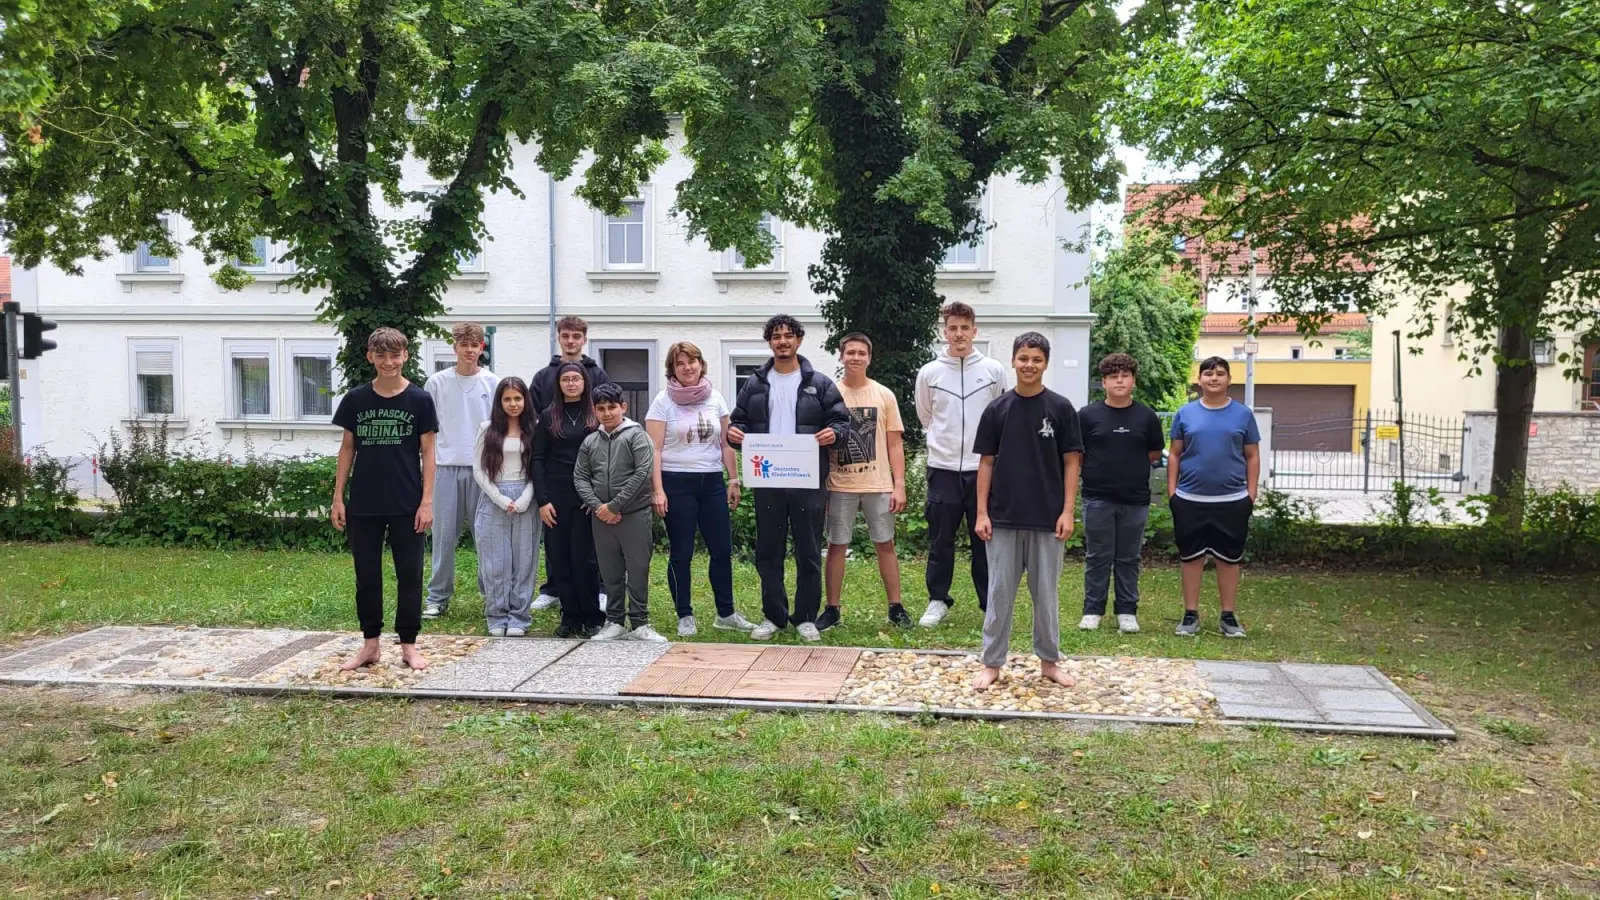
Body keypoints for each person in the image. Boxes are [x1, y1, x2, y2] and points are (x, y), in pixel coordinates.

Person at [728, 314, 851, 642]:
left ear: (798, 340)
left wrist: (834, 434)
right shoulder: (754, 383)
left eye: (788, 335)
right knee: (768, 551)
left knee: (808, 549)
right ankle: (774, 616)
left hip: (808, 478)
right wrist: (735, 434)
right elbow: (738, 423)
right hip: (768, 478)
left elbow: (842, 422)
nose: (783, 341)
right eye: (776, 336)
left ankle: (806, 617)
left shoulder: (820, 383)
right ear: (769, 342)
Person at [971, 332, 1082, 690]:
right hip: (1002, 517)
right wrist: (981, 513)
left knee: (1046, 595)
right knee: (999, 594)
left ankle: (1049, 661)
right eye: (1023, 358)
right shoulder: (997, 409)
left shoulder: (1061, 408)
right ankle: (991, 663)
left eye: (1036, 359)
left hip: (1048, 519)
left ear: (1045, 363)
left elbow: (1071, 463)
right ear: (1013, 361)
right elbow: (986, 464)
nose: (1029, 365)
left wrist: (1068, 511)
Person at [331, 327, 439, 671]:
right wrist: (338, 498)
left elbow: (429, 453)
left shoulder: (420, 400)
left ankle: (409, 646)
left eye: (395, 355)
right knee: (367, 574)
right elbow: (347, 449)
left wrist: (427, 502)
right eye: (382, 355)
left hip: (408, 503)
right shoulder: (356, 400)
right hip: (364, 503)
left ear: (405, 356)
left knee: (410, 575)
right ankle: (371, 644)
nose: (389, 362)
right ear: (370, 357)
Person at [645, 342, 757, 637]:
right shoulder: (662, 402)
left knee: (721, 549)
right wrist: (657, 490)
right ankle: (685, 615)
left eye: (693, 361)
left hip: (711, 483)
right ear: (673, 369)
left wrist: (733, 479)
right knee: (681, 552)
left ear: (701, 363)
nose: (688, 367)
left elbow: (726, 443)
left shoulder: (716, 397)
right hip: (676, 482)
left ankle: (726, 613)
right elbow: (653, 450)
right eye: (681, 363)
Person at [914, 301, 1008, 628]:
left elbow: (1001, 417)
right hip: (942, 469)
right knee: (941, 539)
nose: (959, 334)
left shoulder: (993, 370)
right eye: (953, 328)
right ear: (945, 332)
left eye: (964, 328)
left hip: (983, 469)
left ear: (974, 331)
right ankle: (937, 600)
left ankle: (990, 604)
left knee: (985, 539)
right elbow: (926, 416)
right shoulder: (930, 373)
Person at [820, 333, 909, 631]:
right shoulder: (830, 394)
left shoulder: (884, 395)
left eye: (861, 353)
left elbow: (895, 444)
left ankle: (896, 607)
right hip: (839, 483)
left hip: (878, 484)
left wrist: (899, 485)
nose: (855, 357)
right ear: (841, 355)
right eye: (850, 352)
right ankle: (832, 609)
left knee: (885, 544)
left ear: (869, 358)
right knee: (836, 545)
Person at [1167, 357, 1260, 638]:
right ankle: (1190, 614)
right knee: (1191, 558)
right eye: (1208, 373)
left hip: (1232, 499)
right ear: (1200, 380)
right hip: (1189, 499)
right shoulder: (1185, 413)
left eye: (1220, 374)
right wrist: (1172, 493)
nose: (1214, 378)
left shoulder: (1243, 415)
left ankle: (1228, 616)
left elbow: (1252, 456)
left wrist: (1251, 494)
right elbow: (1174, 454)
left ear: (1229, 380)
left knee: (1228, 559)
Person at [1077, 353, 1166, 634]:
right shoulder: (1087, 415)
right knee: (1097, 556)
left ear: (1133, 381)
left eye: (1124, 376)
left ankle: (1127, 611)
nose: (1119, 380)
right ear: (1103, 382)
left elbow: (1153, 453)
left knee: (1129, 557)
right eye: (1113, 376)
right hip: (1097, 497)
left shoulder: (1146, 416)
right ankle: (1093, 610)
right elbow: (1078, 455)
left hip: (1135, 499)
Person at [529, 315, 612, 613]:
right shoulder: (542, 377)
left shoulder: (599, 374)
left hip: (592, 476)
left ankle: (598, 589)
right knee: (556, 538)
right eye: (565, 335)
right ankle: (552, 588)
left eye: (576, 336)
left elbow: (608, 417)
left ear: (584, 339)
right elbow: (533, 420)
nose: (571, 341)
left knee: (591, 539)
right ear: (558, 338)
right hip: (557, 473)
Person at [575, 383, 666, 642]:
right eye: (601, 409)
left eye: (612, 407)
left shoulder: (637, 436)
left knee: (637, 569)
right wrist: (598, 507)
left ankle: (640, 623)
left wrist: (614, 506)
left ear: (623, 407)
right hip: (601, 518)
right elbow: (580, 476)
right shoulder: (591, 441)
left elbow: (642, 474)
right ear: (594, 411)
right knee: (610, 570)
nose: (607, 413)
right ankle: (615, 621)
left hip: (633, 515)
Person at [423, 323, 499, 620]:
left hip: (482, 470)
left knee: (486, 537)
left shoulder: (493, 383)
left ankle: (490, 595)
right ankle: (437, 597)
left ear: (482, 348)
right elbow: (428, 431)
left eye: (475, 345)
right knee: (443, 538)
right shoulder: (437, 383)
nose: (469, 350)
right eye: (463, 345)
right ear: (454, 348)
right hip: (445, 469)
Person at [533, 362, 604, 638]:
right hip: (556, 497)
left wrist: (596, 495)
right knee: (560, 558)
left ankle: (592, 617)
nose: (571, 384)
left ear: (585, 382)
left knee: (585, 559)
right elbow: (538, 458)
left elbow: (603, 458)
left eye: (576, 379)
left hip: (587, 496)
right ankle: (570, 616)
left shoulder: (595, 414)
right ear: (558, 384)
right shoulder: (548, 416)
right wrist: (542, 500)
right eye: (566, 380)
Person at [472, 377, 541, 637]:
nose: (513, 404)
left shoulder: (534, 429)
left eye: (517, 398)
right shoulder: (487, 428)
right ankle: (497, 615)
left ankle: (519, 617)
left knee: (524, 560)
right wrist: (499, 498)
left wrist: (525, 498)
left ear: (525, 400)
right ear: (500, 402)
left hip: (526, 496)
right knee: (495, 561)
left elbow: (539, 467)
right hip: (493, 499)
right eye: (507, 399)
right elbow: (478, 469)